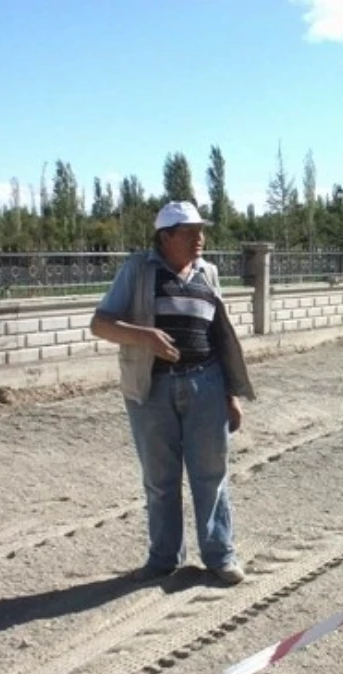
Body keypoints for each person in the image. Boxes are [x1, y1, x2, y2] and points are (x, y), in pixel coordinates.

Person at [91, 200, 254, 585]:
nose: (201, 238)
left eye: (201, 230)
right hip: (151, 389)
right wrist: (143, 336)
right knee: (160, 480)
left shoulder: (208, 273)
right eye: (191, 231)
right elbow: (100, 324)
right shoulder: (138, 270)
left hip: (206, 384)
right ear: (166, 236)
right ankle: (163, 559)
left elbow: (220, 337)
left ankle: (220, 556)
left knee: (211, 475)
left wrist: (230, 394)